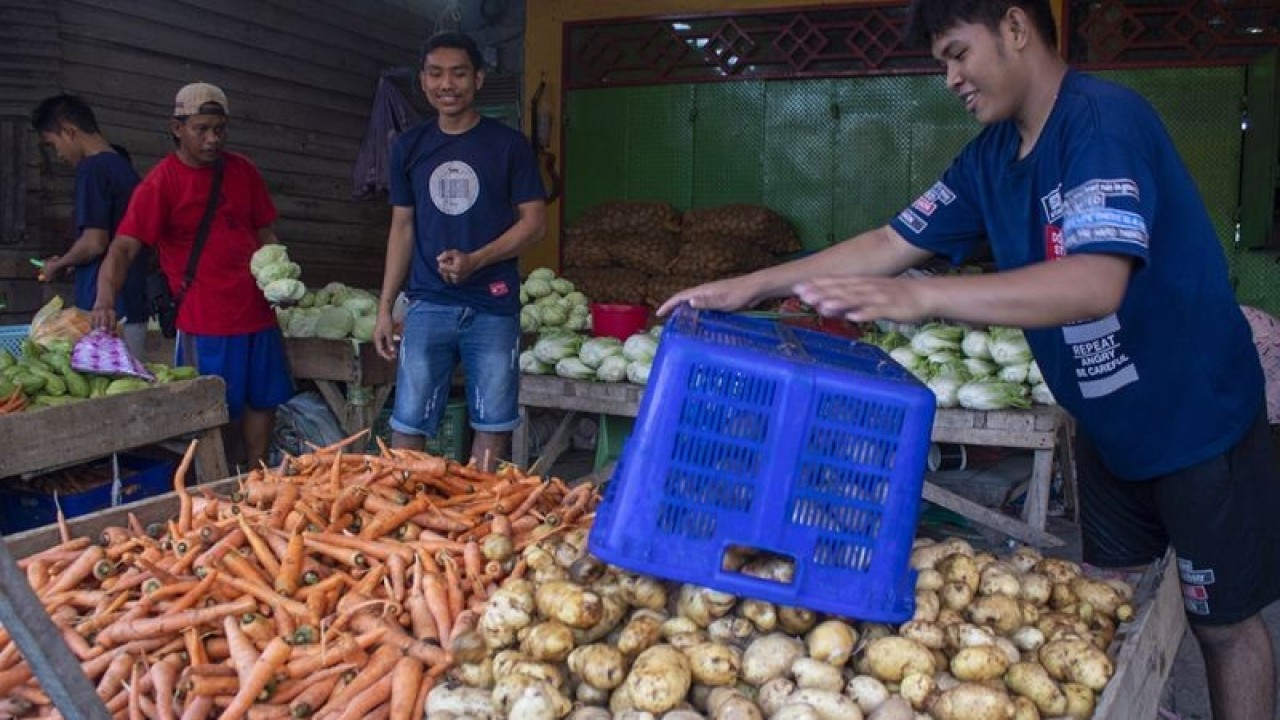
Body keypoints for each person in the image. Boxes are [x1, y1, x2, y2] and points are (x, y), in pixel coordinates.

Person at [659, 2, 1278, 718]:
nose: (950, 77)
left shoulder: (1102, 123)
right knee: (1103, 609)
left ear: (1015, 27)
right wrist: (755, 283)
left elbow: (1094, 282)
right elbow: (893, 242)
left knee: (1224, 626)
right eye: (941, 62)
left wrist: (928, 300)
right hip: (1106, 427)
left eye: (958, 53)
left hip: (1196, 419)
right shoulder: (990, 157)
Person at [91, 83, 294, 470]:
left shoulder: (243, 171)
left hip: (259, 313)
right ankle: (222, 485)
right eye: (202, 129)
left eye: (220, 129)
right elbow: (123, 247)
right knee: (215, 409)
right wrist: (104, 299)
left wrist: (279, 275)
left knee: (263, 399)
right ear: (177, 127)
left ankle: (258, 476)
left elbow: (265, 233)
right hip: (206, 321)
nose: (212, 139)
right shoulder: (161, 183)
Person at [373, 31, 546, 472]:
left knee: (494, 418)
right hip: (428, 303)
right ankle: (404, 507)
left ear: (479, 79)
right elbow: (402, 227)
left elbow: (534, 223)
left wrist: (477, 260)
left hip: (492, 303)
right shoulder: (409, 147)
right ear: (423, 80)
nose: (446, 84)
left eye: (458, 73)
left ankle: (480, 512)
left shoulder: (508, 145)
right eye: (436, 74)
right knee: (409, 419)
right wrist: (385, 307)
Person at [30, 94, 151, 358]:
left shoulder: (92, 169)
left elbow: (95, 243)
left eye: (53, 144)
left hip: (104, 311)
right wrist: (74, 259)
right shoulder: (122, 167)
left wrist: (58, 265)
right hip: (130, 300)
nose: (59, 156)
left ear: (69, 131)